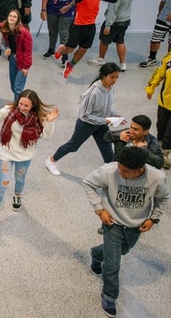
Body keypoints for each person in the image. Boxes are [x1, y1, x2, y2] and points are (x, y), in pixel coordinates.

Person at [84, 147, 169, 318]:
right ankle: (109, 296)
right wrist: (100, 209)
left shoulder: (156, 177)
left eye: (125, 172)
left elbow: (163, 198)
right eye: (120, 169)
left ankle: (97, 253)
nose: (120, 173)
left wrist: (153, 218)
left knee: (122, 251)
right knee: (113, 264)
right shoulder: (110, 170)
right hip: (112, 222)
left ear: (139, 170)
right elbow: (88, 183)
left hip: (136, 225)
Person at [0, 89, 59, 227]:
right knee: (3, 182)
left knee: (20, 179)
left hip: (25, 156)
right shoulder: (9, 110)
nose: (22, 107)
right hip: (6, 154)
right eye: (21, 104)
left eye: (26, 105)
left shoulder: (39, 117)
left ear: (33, 106)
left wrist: (49, 122)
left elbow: (47, 137)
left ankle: (17, 196)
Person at [45, 63, 121, 176]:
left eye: (116, 77)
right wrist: (105, 121)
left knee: (107, 149)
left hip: (101, 123)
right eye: (112, 77)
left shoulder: (110, 88)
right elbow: (84, 115)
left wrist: (114, 115)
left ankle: (111, 173)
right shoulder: (92, 92)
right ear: (104, 76)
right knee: (73, 146)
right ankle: (51, 161)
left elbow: (106, 107)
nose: (114, 80)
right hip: (86, 125)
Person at [53, 0, 122, 79]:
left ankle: (70, 66)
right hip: (77, 26)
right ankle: (62, 49)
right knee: (70, 49)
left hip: (90, 27)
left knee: (83, 49)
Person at [89, 0, 134, 71]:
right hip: (125, 20)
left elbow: (112, 10)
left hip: (115, 21)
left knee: (104, 41)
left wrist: (108, 25)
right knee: (120, 41)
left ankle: (101, 59)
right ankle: (122, 63)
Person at [145, 50, 171, 168]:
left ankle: (165, 151)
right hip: (165, 102)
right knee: (161, 125)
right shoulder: (168, 59)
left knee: (170, 131)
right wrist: (151, 88)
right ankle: (159, 148)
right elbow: (158, 74)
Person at [1, 9, 32, 101]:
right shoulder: (6, 28)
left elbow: (28, 51)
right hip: (12, 59)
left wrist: (26, 67)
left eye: (14, 17)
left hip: (22, 62)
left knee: (18, 88)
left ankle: (17, 108)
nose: (12, 18)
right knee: (13, 86)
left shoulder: (24, 32)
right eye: (10, 16)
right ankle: (17, 103)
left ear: (18, 19)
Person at [139, 0, 171, 68]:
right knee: (155, 39)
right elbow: (162, 2)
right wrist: (159, 14)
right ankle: (152, 58)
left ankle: (168, 61)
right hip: (163, 19)